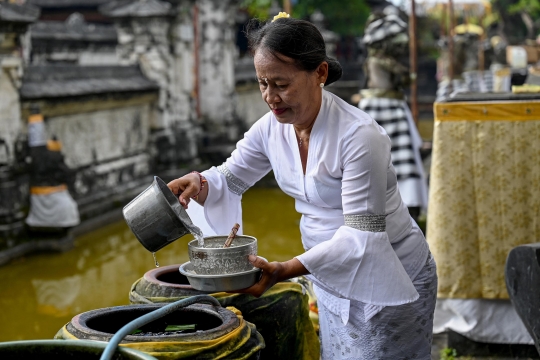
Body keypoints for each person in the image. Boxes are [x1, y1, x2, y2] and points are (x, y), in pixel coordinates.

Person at [168, 13, 437, 359]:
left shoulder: (360, 136)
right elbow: (231, 177)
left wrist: (286, 269)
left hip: (389, 274)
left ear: (320, 73)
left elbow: (361, 235)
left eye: (281, 84)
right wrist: (200, 182)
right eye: (262, 83)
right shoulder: (271, 128)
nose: (270, 97)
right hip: (328, 274)